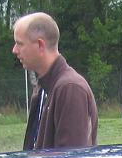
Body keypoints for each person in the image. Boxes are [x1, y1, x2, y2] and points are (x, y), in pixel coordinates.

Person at [12, 13, 98, 150]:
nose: (14, 50)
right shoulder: (44, 87)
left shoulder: (70, 88)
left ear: (40, 45)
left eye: (19, 44)